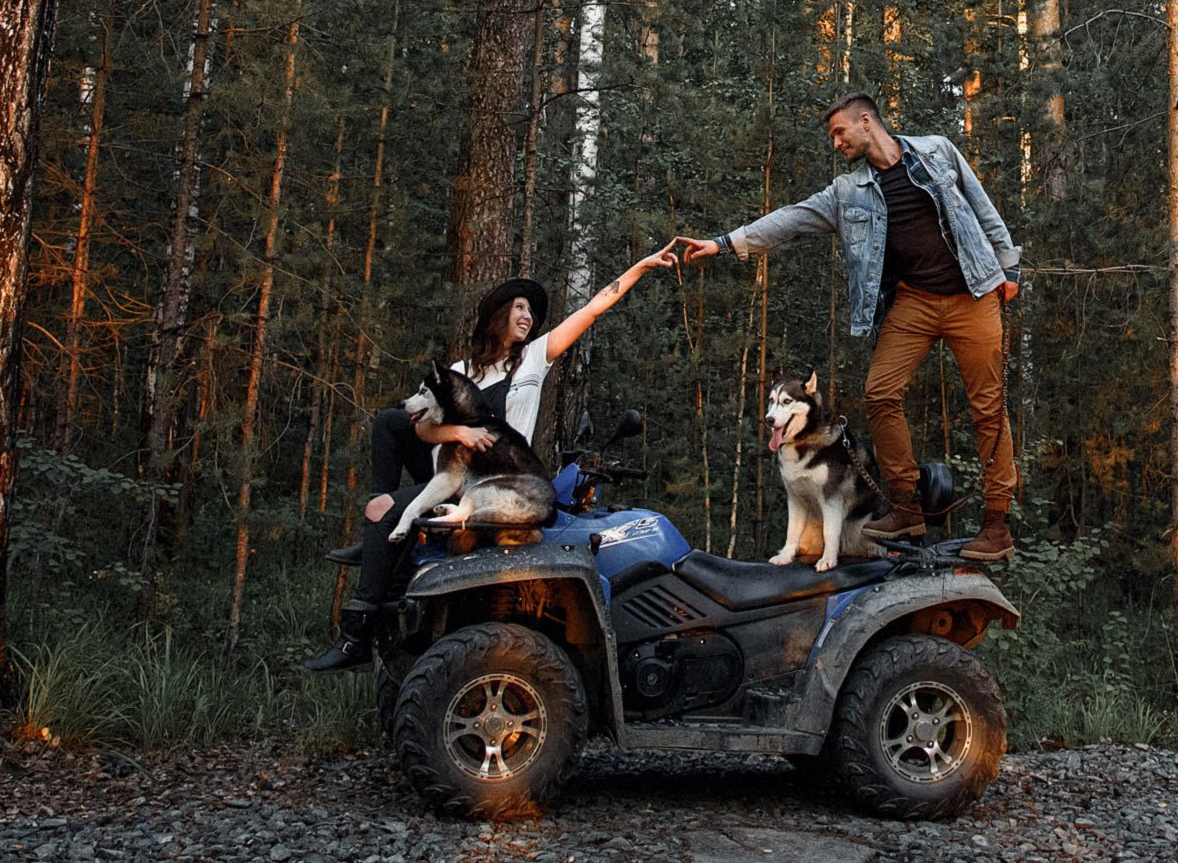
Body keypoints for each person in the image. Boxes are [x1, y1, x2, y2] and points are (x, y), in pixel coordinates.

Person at [678, 94, 1022, 561]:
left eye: (840, 132)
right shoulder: (847, 192)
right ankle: (905, 506)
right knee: (880, 393)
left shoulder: (937, 150)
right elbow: (793, 218)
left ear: (866, 122)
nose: (836, 142)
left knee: (988, 409)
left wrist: (1009, 268)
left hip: (974, 294)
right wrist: (725, 243)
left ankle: (997, 525)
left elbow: (980, 206)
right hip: (914, 303)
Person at [302, 245, 677, 673]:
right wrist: (460, 431)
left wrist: (641, 267)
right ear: (499, 315)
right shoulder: (464, 372)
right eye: (519, 308)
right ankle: (384, 528)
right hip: (457, 470)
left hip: (496, 480)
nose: (528, 317)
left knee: (384, 512)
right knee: (390, 423)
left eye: (532, 312)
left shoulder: (536, 358)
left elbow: (593, 308)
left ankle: (355, 637)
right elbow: (422, 428)